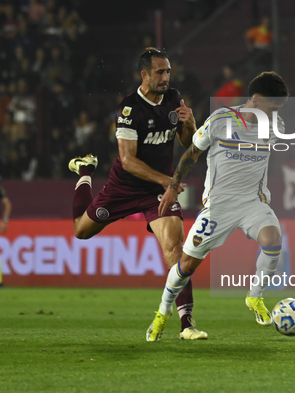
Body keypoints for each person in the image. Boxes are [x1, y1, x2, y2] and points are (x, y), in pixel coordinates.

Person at [68, 48, 207, 340]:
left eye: (168, 71)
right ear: (144, 74)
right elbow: (128, 161)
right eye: (160, 72)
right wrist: (169, 181)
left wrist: (190, 124)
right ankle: (84, 172)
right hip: (124, 187)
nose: (166, 77)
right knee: (81, 231)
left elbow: (184, 140)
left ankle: (187, 324)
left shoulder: (173, 98)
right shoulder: (129, 109)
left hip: (157, 191)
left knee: (175, 249)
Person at [146, 71, 289, 341]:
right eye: (272, 108)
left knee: (273, 241)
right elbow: (191, 154)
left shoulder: (276, 125)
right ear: (256, 101)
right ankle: (162, 312)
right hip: (218, 207)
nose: (275, 115)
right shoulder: (221, 120)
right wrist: (173, 187)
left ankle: (254, 298)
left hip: (252, 202)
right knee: (186, 265)